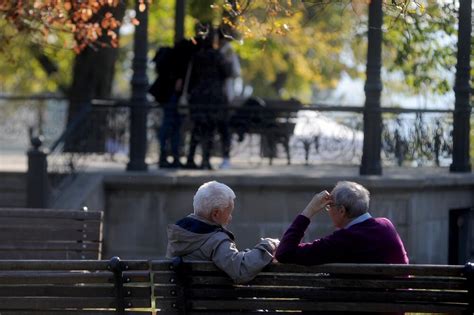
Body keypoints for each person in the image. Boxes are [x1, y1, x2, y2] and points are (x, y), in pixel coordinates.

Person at [167, 180, 279, 283]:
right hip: (214, 302)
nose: (230, 217)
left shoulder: (180, 234)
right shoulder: (216, 240)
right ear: (216, 214)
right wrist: (268, 246)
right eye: (229, 212)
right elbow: (240, 270)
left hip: (185, 301)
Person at [275, 181, 409, 265]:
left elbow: (284, 253)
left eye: (329, 206)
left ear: (341, 211)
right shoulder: (386, 225)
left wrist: (309, 210)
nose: (328, 211)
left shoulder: (344, 240)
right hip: (394, 307)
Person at [185, 27, 232, 170]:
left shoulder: (197, 56)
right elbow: (227, 73)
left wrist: (189, 94)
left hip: (198, 97)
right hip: (213, 98)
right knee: (210, 129)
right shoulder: (218, 56)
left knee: (196, 129)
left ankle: (191, 158)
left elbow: (191, 78)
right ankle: (206, 159)